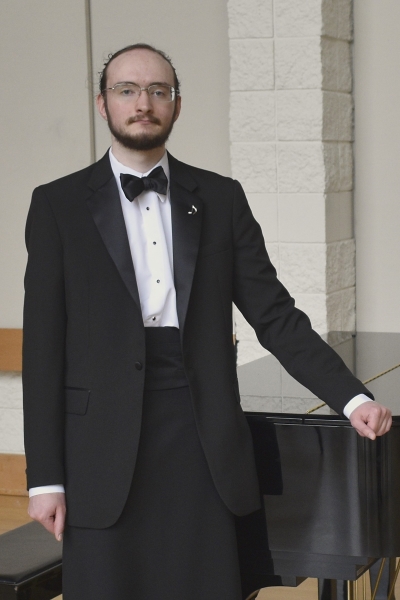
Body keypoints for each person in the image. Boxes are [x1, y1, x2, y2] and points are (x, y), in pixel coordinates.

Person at [23, 44, 392, 600]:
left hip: (201, 438)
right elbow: (43, 351)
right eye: (127, 90)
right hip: (99, 447)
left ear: (176, 104)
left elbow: (275, 315)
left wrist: (352, 399)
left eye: (158, 91)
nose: (142, 102)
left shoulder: (221, 198)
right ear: (103, 104)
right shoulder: (56, 205)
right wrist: (45, 478)